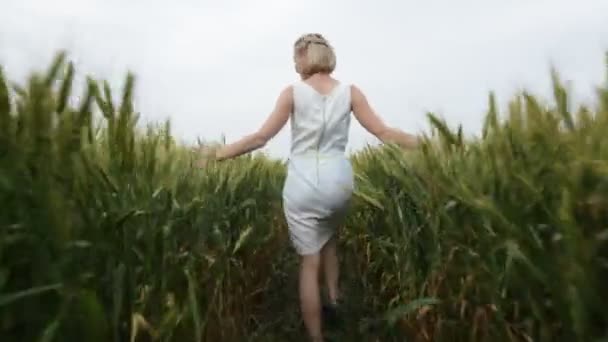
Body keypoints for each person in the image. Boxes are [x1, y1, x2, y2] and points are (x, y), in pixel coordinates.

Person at [196, 33, 419, 342]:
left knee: (308, 261)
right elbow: (382, 131)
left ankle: (316, 337)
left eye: (295, 58)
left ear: (305, 56)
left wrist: (217, 154)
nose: (294, 64)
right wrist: (425, 144)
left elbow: (261, 138)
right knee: (329, 235)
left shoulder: (292, 93)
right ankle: (336, 300)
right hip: (339, 181)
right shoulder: (351, 92)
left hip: (302, 182)